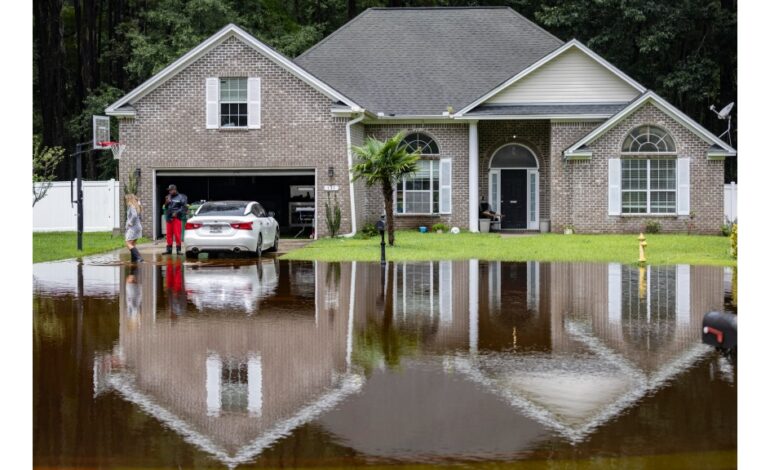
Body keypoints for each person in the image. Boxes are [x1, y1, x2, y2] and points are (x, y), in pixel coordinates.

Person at [164, 184, 188, 255]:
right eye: (169, 191)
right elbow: (165, 206)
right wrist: (166, 202)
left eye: (171, 190)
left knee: (177, 234)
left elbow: (184, 207)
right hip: (169, 218)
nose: (169, 192)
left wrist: (177, 212)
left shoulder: (181, 197)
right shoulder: (168, 196)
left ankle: (178, 250)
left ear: (174, 190)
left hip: (176, 218)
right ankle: (169, 250)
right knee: (169, 234)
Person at [125, 194, 144, 262]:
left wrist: (130, 223)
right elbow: (141, 217)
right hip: (138, 227)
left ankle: (138, 257)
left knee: (128, 243)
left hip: (133, 227)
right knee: (132, 244)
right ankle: (134, 259)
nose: (126, 201)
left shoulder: (131, 205)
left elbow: (134, 215)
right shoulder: (137, 206)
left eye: (126, 199)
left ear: (129, 199)